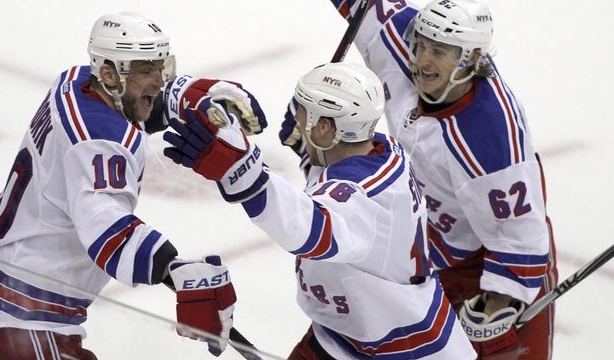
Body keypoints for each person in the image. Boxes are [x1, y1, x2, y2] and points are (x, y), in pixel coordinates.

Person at [234, 0, 558, 359]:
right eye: (422, 44)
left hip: (478, 263)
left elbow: (520, 234)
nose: (423, 60)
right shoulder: (409, 53)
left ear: (470, 60)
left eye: (439, 53)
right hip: (417, 238)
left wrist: (501, 300)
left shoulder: (490, 135)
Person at [0, 12, 266, 359]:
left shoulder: (71, 83)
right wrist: (175, 269)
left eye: (161, 67)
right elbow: (106, 229)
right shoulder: (103, 144)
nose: (159, 81)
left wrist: (178, 96)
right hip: (22, 314)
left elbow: (121, 110)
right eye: (145, 71)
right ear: (109, 73)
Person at [163, 60, 477, 359]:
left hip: (402, 350)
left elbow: (310, 229)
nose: (296, 117)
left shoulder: (367, 196)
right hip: (342, 336)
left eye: (303, 112)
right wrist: (307, 149)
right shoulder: (375, 150)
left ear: (326, 128)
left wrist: (243, 170)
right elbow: (330, 187)